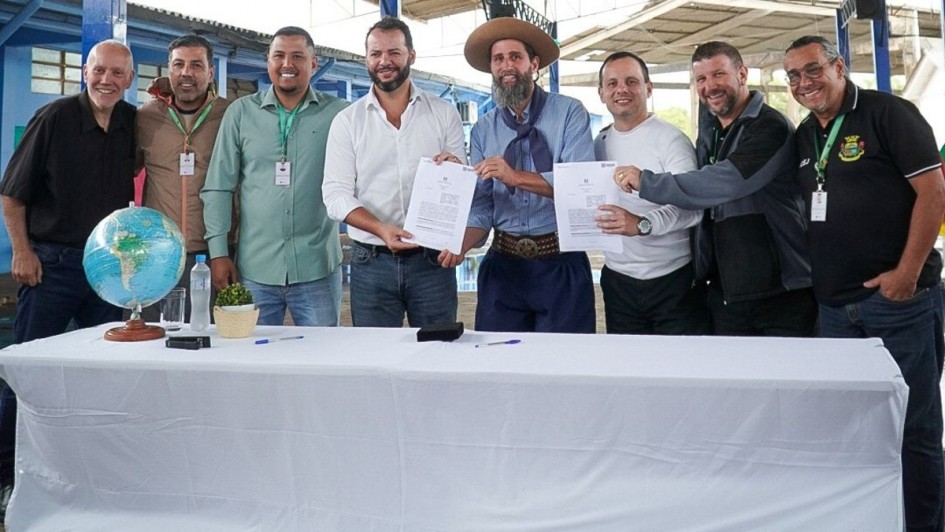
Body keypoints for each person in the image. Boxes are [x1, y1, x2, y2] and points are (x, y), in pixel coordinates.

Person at [784, 35, 945, 531]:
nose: (804, 83)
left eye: (813, 70)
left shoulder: (887, 114)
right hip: (836, 310)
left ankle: (924, 524)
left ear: (839, 66)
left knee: (913, 429)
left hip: (897, 304)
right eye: (793, 76)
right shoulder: (805, 135)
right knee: (855, 432)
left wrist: (906, 275)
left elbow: (934, 191)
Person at [0, 38, 135, 510]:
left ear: (129, 80)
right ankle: (8, 477)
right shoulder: (54, 118)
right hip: (50, 267)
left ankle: (84, 471)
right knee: (26, 374)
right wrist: (22, 252)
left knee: (101, 374)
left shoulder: (129, 123)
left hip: (106, 270)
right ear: (85, 71)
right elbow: (12, 194)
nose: (107, 80)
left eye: (118, 73)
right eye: (100, 70)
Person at [618, 41, 815, 337]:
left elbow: (725, 181)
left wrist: (648, 182)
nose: (710, 86)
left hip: (779, 291)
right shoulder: (711, 127)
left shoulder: (770, 127)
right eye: (701, 79)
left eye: (719, 75)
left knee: (786, 381)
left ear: (742, 74)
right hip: (727, 290)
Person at [323, 17, 466, 327]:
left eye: (394, 52)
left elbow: (462, 184)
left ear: (411, 55)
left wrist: (455, 172)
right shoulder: (348, 122)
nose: (384, 61)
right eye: (375, 54)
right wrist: (380, 228)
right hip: (371, 261)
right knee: (374, 359)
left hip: (432, 261)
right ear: (367, 59)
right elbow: (335, 195)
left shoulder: (443, 113)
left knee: (437, 353)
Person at [457, 17, 596, 333]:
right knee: (499, 369)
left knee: (565, 368)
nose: (507, 66)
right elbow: (481, 207)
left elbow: (580, 188)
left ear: (534, 64)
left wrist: (515, 176)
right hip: (502, 268)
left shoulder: (570, 113)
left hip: (561, 262)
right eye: (498, 59)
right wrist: (460, 246)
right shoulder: (482, 129)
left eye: (515, 57)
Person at [201, 27, 348, 326]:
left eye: (298, 56)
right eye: (279, 56)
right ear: (268, 61)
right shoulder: (241, 113)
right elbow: (219, 186)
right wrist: (218, 253)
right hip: (255, 270)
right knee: (251, 364)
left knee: (322, 363)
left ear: (313, 63)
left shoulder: (339, 115)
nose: (287, 64)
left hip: (317, 267)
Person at [593, 51, 706, 335]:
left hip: (671, 281)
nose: (622, 89)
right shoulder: (600, 143)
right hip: (618, 281)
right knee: (628, 372)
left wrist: (642, 225)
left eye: (632, 81)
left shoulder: (671, 140)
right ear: (601, 93)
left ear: (649, 88)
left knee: (676, 373)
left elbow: (691, 206)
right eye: (613, 83)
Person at [136, 34, 232, 321]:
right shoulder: (146, 116)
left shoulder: (230, 115)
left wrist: (224, 251)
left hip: (216, 254)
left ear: (210, 72)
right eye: (178, 65)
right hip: (159, 256)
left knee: (216, 343)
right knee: (158, 340)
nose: (186, 73)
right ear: (169, 69)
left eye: (196, 65)